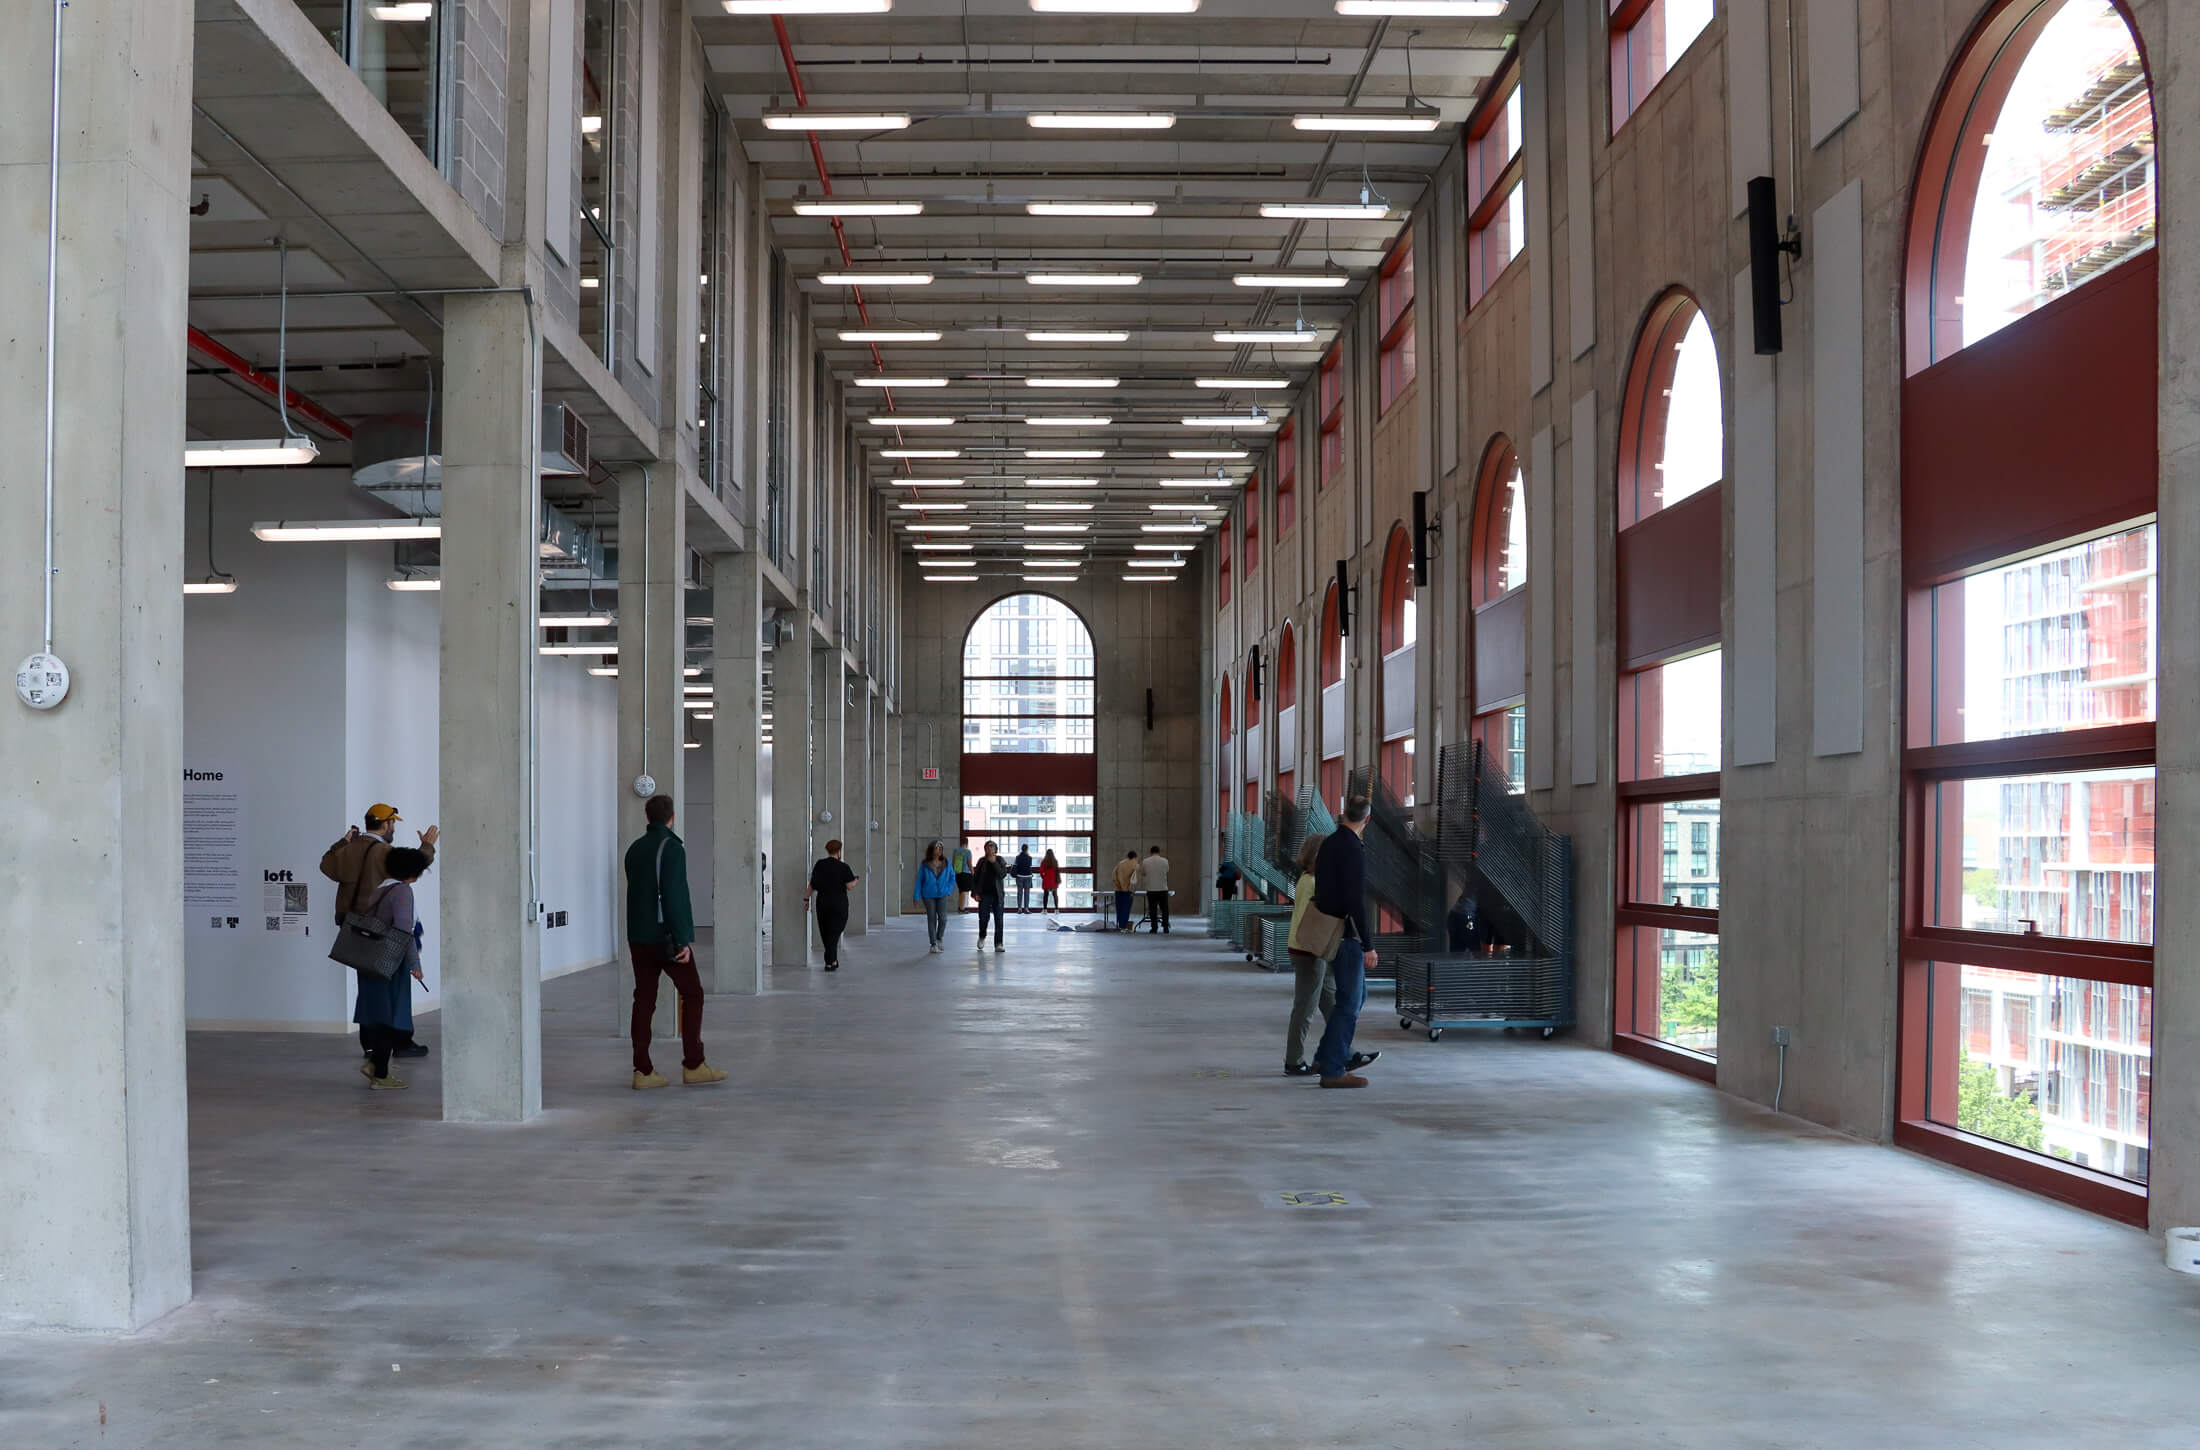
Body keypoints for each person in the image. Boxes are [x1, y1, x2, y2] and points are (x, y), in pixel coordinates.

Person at [623, 794, 725, 1090]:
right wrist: (683, 940)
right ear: (672, 817)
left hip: (638, 936)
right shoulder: (672, 849)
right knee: (693, 994)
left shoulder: (635, 849)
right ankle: (694, 1064)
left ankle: (642, 1071)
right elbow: (675, 897)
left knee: (643, 1000)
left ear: (647, 817)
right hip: (665, 938)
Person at [321, 804, 439, 1060]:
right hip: (381, 929)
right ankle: (400, 1041)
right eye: (392, 823)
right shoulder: (385, 852)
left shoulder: (347, 850)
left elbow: (327, 866)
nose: (393, 828)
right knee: (395, 985)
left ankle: (371, 1044)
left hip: (353, 929)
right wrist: (427, 848)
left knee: (368, 986)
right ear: (385, 824)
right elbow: (410, 867)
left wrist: (342, 841)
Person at [1284, 833, 1378, 1079]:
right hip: (1309, 951)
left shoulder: (1309, 880)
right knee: (1305, 1006)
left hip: (1314, 949)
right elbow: (1319, 918)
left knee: (1331, 1004)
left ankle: (1345, 1052)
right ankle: (1293, 1061)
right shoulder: (1312, 883)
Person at [1310, 796, 1382, 1089]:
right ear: (1367, 820)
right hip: (1347, 935)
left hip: (1331, 928)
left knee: (1356, 996)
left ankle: (1326, 1056)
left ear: (1342, 815)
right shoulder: (1353, 849)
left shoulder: (1328, 843)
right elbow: (1355, 901)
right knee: (1349, 1002)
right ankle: (1333, 1069)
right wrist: (1368, 944)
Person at [353, 847, 430, 1090]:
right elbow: (403, 932)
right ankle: (382, 1075)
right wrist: (415, 963)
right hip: (389, 963)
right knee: (389, 1017)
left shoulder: (381, 888)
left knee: (377, 1015)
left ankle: (375, 1065)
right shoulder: (402, 892)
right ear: (413, 872)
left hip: (369, 960)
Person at [806, 840, 860, 970]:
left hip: (823, 903)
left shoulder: (820, 864)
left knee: (825, 932)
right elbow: (849, 886)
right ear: (839, 851)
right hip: (839, 904)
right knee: (834, 932)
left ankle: (832, 961)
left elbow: (812, 884)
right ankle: (830, 962)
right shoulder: (843, 867)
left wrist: (805, 899)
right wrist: (856, 880)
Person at [913, 841, 956, 953]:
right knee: (931, 919)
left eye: (941, 847)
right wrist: (916, 896)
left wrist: (948, 890)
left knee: (943, 919)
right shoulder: (925, 864)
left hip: (942, 894)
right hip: (928, 895)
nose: (940, 849)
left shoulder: (946, 863)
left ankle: (939, 938)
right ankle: (933, 944)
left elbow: (952, 877)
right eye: (937, 847)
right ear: (932, 849)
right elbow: (919, 881)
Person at [970, 840, 1009, 952]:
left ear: (995, 849)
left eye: (992, 847)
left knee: (999, 919)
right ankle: (982, 936)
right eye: (988, 847)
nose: (990, 849)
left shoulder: (1000, 860)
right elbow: (975, 878)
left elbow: (1002, 874)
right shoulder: (982, 861)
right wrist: (975, 893)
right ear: (985, 849)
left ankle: (998, 943)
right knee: (983, 918)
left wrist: (994, 862)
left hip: (997, 895)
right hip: (984, 894)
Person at [1139, 845, 1171, 934]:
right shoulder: (1165, 861)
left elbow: (1143, 873)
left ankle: (1154, 928)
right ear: (1159, 852)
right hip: (1162, 888)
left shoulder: (1145, 861)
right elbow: (1167, 871)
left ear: (1151, 852)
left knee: (1153, 910)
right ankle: (1165, 927)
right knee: (1164, 909)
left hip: (1151, 889)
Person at [1111, 850, 1141, 931]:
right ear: (1135, 857)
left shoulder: (1120, 864)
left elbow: (1113, 876)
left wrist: (1118, 885)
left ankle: (1119, 925)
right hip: (1128, 890)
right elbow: (1134, 879)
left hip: (1118, 889)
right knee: (1126, 909)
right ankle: (1123, 926)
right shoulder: (1135, 864)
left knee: (1119, 908)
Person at [951, 840, 974, 914]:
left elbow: (953, 863)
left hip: (958, 873)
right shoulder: (968, 852)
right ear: (967, 843)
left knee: (961, 891)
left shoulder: (955, 851)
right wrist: (973, 873)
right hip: (966, 873)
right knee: (964, 891)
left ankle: (961, 907)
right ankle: (961, 909)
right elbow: (969, 864)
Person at [1011, 845, 1036, 913]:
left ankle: (1019, 909)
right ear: (1027, 849)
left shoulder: (1017, 857)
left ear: (1021, 849)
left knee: (1019, 893)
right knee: (1027, 893)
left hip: (1019, 876)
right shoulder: (1029, 858)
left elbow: (1016, 866)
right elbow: (1029, 866)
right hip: (1028, 877)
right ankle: (1026, 909)